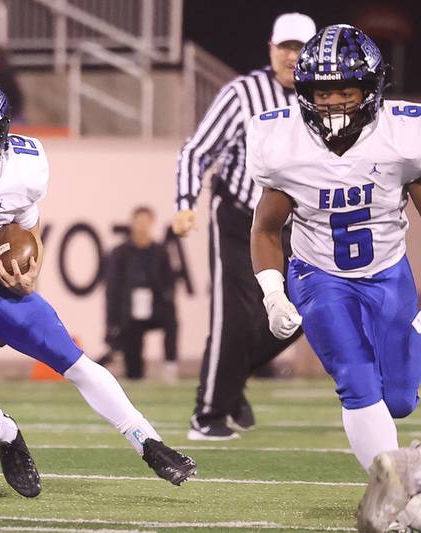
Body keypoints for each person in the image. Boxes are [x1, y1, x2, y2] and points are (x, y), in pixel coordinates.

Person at [0, 72, 197, 499]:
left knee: (73, 360)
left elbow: (30, 229)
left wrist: (33, 271)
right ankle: (8, 437)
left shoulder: (23, 168)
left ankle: (149, 442)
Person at [248, 23, 421, 525]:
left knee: (399, 400)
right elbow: (265, 228)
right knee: (356, 378)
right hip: (319, 275)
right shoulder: (282, 142)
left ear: (372, 90)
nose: (337, 102)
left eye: (347, 89)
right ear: (305, 93)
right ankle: (398, 501)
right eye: (324, 92)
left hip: (389, 272)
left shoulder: (403, 136)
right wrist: (272, 291)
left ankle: (402, 473)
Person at [172, 12, 317, 440]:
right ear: (271, 50)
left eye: (301, 48)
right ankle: (209, 414)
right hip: (239, 217)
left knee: (306, 310)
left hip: (297, 224)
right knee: (235, 318)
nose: (293, 56)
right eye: (285, 47)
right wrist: (185, 202)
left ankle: (231, 382)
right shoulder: (242, 93)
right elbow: (196, 150)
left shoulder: (323, 97)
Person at [103, 206, 179, 381]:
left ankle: (170, 366)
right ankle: (134, 368)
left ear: (151, 223)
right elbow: (113, 289)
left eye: (145, 221)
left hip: (156, 306)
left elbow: (169, 281)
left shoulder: (160, 252)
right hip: (130, 309)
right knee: (134, 371)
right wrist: (112, 323)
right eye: (138, 221)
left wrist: (163, 298)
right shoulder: (120, 253)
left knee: (171, 320)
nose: (142, 226)